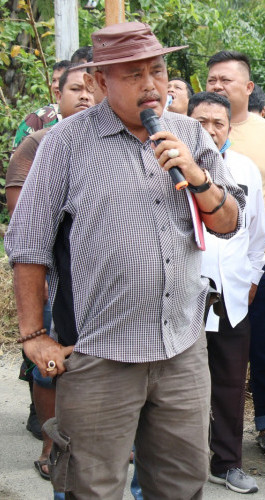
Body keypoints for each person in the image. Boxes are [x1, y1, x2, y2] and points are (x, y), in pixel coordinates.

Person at [5, 22, 245, 498]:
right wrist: (34, 336)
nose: (151, 84)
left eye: (157, 70)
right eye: (133, 74)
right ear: (98, 83)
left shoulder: (191, 133)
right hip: (100, 354)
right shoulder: (64, 143)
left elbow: (229, 222)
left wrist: (197, 174)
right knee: (94, 486)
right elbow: (28, 243)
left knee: (182, 483)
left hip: (182, 349)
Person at [7, 64, 94, 493]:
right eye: (73, 88)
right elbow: (23, 225)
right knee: (51, 368)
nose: (83, 96)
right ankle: (49, 444)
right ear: (56, 93)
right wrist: (35, 282)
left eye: (88, 88)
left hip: (105, 289)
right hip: (58, 282)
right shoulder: (38, 143)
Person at [206, 50, 265, 456]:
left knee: (264, 346)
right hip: (202, 266)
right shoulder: (190, 127)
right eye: (213, 79)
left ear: (248, 87)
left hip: (259, 258)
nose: (218, 86)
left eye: (227, 80)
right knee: (210, 353)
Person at [190, 91, 265, 494]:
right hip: (183, 295)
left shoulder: (245, 169)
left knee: (230, 384)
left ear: (229, 127)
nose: (210, 130)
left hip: (232, 295)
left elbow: (257, 234)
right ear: (187, 124)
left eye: (217, 123)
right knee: (179, 386)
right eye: (201, 122)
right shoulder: (169, 166)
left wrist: (252, 279)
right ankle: (182, 464)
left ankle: (227, 463)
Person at [11, 60, 70, 152]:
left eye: (61, 80)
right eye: (54, 80)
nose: (56, 85)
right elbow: (18, 160)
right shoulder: (39, 118)